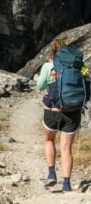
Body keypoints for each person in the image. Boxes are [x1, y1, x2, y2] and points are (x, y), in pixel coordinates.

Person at [37, 37, 86, 192]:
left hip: (52, 111)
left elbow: (40, 86)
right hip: (72, 111)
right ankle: (66, 184)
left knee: (49, 140)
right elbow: (86, 78)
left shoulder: (48, 65)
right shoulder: (79, 66)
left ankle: (51, 173)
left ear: (52, 51)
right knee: (66, 148)